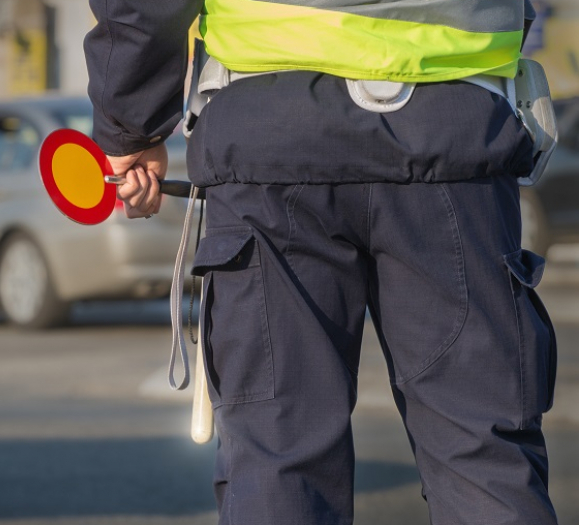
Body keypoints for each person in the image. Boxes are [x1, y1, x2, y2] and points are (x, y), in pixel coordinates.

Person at [84, 1, 559, 524]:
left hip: (268, 137)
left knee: (279, 459)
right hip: (457, 134)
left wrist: (131, 123)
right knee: (483, 456)